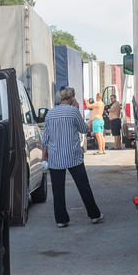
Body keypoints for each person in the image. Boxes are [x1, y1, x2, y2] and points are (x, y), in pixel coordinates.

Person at [41, 87, 101, 228]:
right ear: (72, 98)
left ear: (60, 98)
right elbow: (84, 129)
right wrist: (78, 110)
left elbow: (46, 138)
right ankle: (94, 215)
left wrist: (45, 155)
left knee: (58, 190)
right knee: (83, 186)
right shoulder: (73, 111)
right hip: (72, 155)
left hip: (56, 157)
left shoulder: (50, 113)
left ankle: (61, 220)